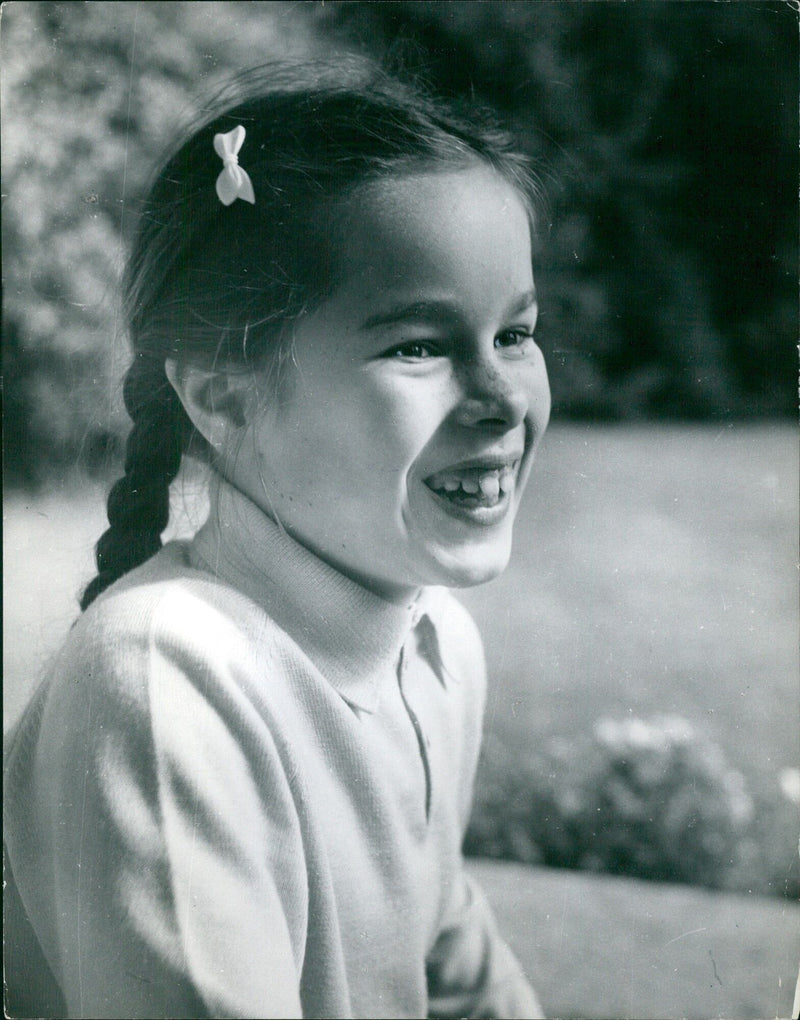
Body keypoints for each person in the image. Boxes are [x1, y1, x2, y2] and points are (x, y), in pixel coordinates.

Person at [4, 60, 551, 1019]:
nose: (503, 396)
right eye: (418, 345)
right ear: (222, 396)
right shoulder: (165, 682)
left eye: (516, 333)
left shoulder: (436, 644)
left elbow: (451, 956)